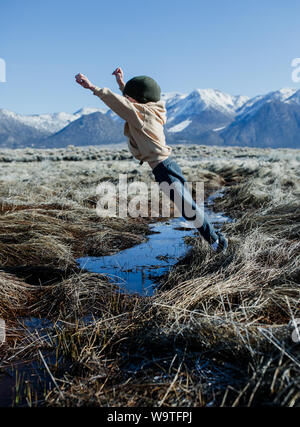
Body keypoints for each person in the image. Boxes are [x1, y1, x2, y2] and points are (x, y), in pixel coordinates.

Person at [75, 69, 228, 253]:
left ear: (137, 100)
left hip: (164, 170)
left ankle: (217, 245)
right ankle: (217, 240)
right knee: (188, 206)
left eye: (129, 96)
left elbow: (119, 104)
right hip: (168, 166)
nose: (127, 98)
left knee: (188, 208)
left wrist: (92, 87)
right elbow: (133, 100)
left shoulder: (142, 115)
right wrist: (121, 83)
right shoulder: (150, 109)